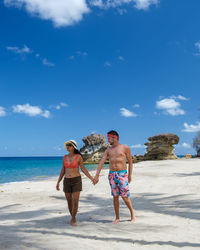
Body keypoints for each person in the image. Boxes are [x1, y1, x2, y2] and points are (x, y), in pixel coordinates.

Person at [93, 130, 136, 224]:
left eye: (109, 138)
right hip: (112, 175)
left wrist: (129, 175)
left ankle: (132, 214)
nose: (108, 140)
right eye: (108, 138)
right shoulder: (108, 150)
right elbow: (101, 162)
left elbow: (130, 162)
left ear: (115, 137)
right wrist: (97, 176)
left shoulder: (125, 148)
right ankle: (117, 218)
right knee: (115, 197)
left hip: (122, 174)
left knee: (125, 196)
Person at [56, 139, 94, 226]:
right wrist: (58, 182)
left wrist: (92, 178)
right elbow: (63, 170)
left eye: (69, 145)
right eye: (67, 145)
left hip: (76, 180)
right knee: (69, 201)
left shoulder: (78, 157)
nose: (68, 147)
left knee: (75, 201)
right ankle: (72, 217)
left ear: (73, 147)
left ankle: (73, 219)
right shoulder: (64, 157)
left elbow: (83, 169)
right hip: (66, 181)